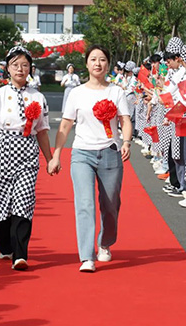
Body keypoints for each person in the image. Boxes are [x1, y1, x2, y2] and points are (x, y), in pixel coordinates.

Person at [48, 45, 132, 272]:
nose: (98, 63)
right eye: (93, 59)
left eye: (102, 59)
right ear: (86, 64)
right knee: (84, 203)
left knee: (110, 204)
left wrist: (126, 142)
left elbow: (125, 120)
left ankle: (105, 242)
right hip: (82, 154)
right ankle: (87, 256)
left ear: (108, 64)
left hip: (110, 153)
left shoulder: (116, 92)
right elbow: (65, 125)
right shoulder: (76, 93)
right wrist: (56, 155)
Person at [0, 46, 52, 271]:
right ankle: (4, 245)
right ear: (8, 68)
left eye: (24, 65)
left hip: (27, 152)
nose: (20, 69)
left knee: (23, 200)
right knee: (1, 203)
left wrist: (50, 159)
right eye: (15, 65)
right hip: (2, 149)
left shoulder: (38, 96)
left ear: (30, 68)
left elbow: (42, 131)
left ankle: (20, 254)